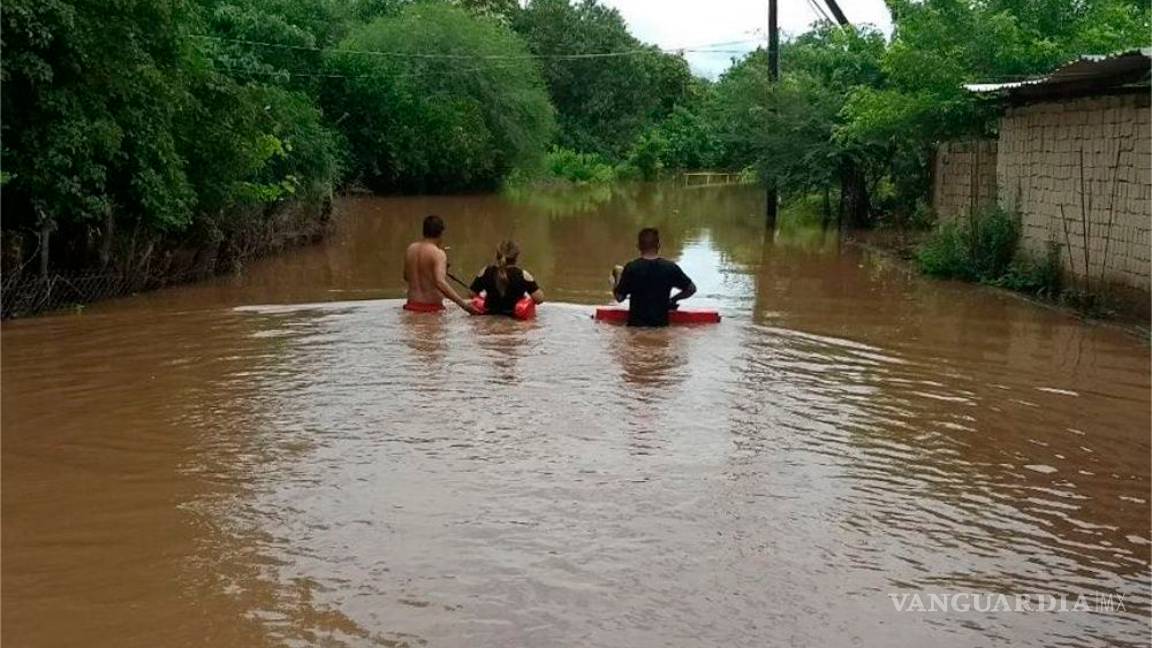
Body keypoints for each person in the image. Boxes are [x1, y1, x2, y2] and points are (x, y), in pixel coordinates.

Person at [612, 227, 696, 327]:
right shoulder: (670, 267)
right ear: (659, 246)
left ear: (638, 246)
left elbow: (619, 298)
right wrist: (673, 300)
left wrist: (615, 279)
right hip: (661, 327)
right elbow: (691, 289)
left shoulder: (632, 268)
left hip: (635, 328)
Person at [403, 214, 479, 314]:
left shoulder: (411, 249)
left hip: (410, 306)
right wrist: (465, 306)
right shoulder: (438, 254)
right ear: (441, 232)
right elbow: (440, 282)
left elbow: (406, 277)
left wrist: (432, 269)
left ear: (424, 231)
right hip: (431, 309)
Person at [470, 240, 544, 316]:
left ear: (497, 255)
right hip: (515, 320)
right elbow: (539, 299)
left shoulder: (486, 271)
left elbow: (471, 294)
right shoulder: (523, 275)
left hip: (489, 315)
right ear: (516, 257)